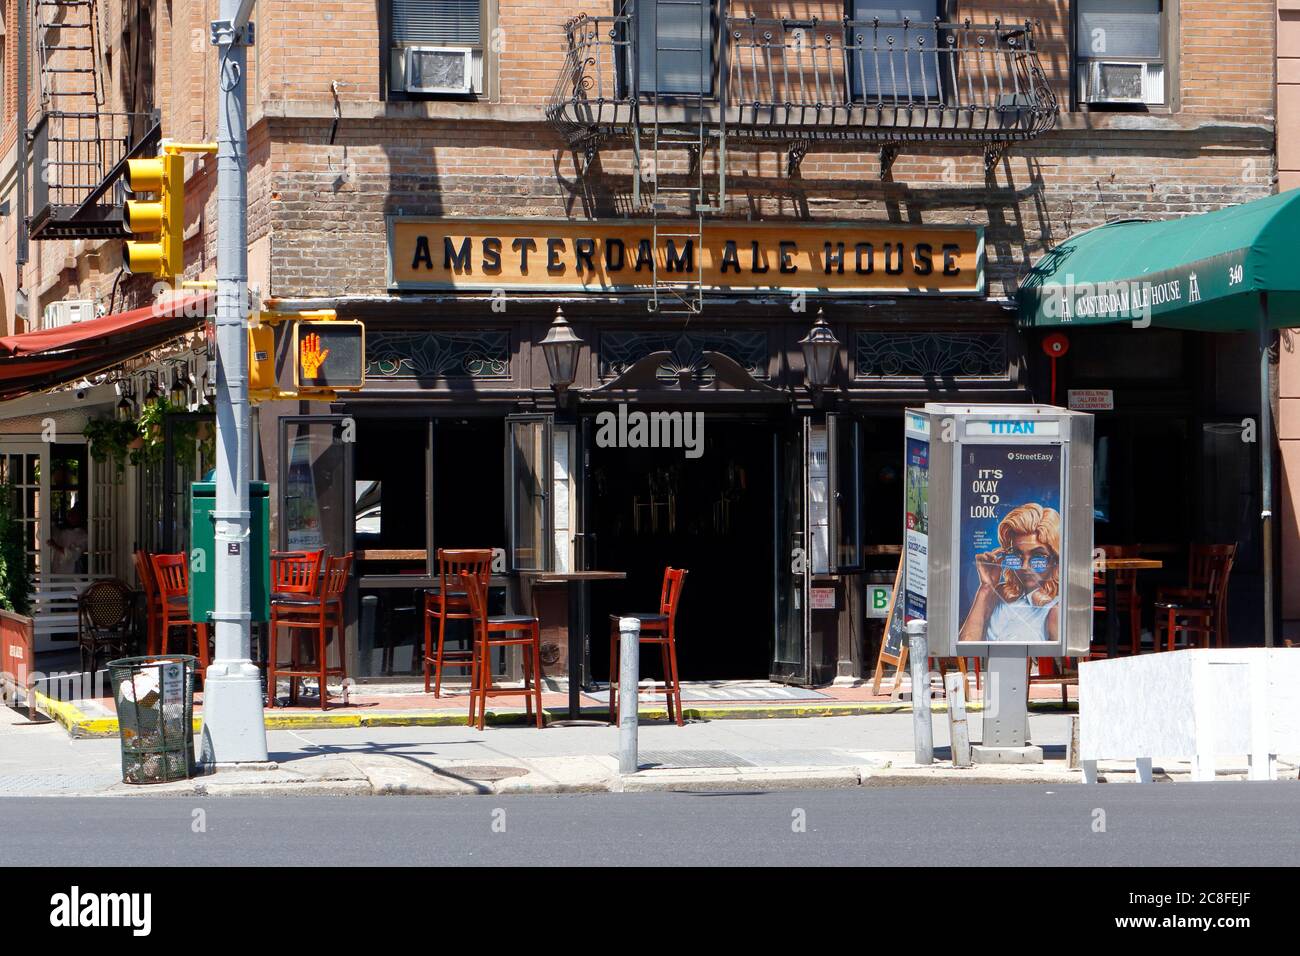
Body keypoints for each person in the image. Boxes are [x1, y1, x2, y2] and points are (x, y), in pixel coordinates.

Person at [958, 502, 1061, 643]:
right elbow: (966, 649)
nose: (1024, 566)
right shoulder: (999, 594)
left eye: (1038, 557)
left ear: (1056, 560)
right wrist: (986, 587)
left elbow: (1060, 664)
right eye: (1017, 555)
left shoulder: (1054, 610)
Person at [49, 502, 89, 575]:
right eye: (70, 513)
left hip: (69, 574)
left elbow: (74, 554)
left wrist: (55, 546)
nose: (70, 516)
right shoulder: (62, 530)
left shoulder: (83, 535)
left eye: (74, 514)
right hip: (54, 571)